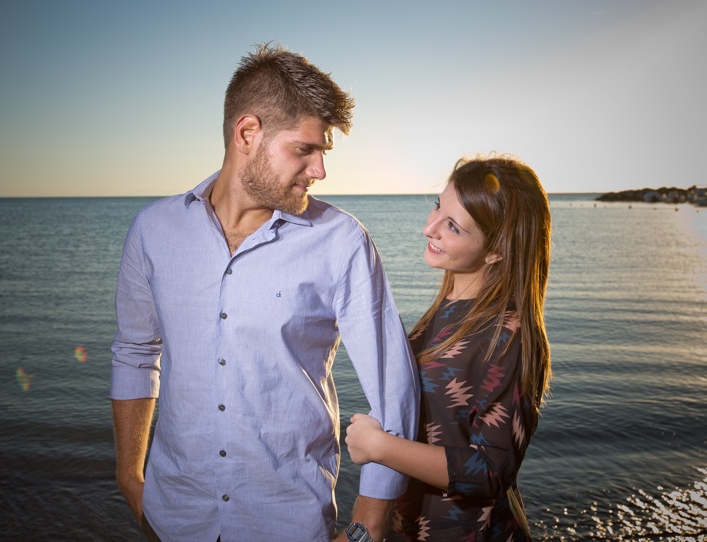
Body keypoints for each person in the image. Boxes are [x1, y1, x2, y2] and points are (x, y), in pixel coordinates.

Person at [110, 43, 419, 542]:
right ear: (247, 133)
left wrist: (369, 522)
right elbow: (135, 352)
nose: (320, 170)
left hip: (288, 524)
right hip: (173, 520)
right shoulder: (153, 230)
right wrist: (130, 476)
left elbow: (392, 385)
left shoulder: (341, 241)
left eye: (324, 153)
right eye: (305, 149)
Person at [345, 156, 552, 541]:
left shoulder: (508, 335)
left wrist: (379, 446)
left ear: (495, 250)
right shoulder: (449, 308)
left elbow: (491, 470)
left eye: (453, 226)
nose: (429, 228)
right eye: (439, 206)